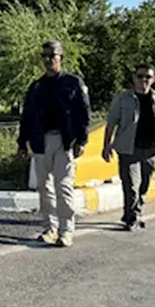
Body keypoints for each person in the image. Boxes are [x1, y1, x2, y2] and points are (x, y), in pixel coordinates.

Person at [17, 40, 91, 248]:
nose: (48, 60)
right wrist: (22, 143)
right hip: (40, 141)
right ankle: (49, 227)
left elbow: (84, 113)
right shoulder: (36, 86)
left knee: (63, 185)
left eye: (53, 55)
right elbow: (27, 116)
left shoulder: (73, 83)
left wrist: (82, 139)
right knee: (44, 188)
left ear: (61, 58)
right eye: (45, 56)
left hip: (64, 140)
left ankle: (66, 230)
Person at [102, 64, 155, 230]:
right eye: (140, 76)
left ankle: (134, 211)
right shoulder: (123, 98)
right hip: (128, 148)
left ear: (153, 80)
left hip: (151, 149)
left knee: (145, 184)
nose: (143, 80)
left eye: (147, 77)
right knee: (131, 185)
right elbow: (111, 123)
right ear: (134, 79)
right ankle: (132, 217)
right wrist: (106, 146)